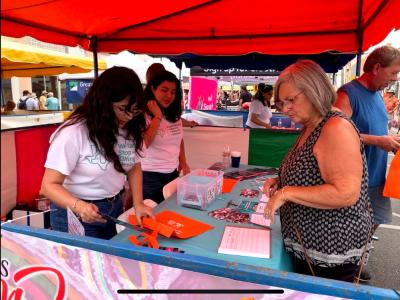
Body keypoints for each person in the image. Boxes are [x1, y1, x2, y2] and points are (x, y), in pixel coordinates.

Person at [263, 60, 373, 282]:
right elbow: (311, 170)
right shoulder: (311, 124)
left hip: (330, 250)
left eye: (291, 100)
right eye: (281, 103)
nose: (285, 109)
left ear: (314, 90)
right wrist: (280, 180)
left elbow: (345, 193)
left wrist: (287, 193)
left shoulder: (335, 127)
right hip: (310, 246)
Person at [41, 66, 152, 239]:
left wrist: (138, 203)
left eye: (135, 110)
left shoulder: (130, 127)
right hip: (74, 211)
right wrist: (79, 206)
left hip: (113, 206)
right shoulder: (74, 132)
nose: (129, 116)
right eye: (122, 109)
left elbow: (134, 166)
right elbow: (48, 186)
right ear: (103, 102)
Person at [335, 45, 400, 227]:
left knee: (371, 228)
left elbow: (376, 129)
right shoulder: (347, 94)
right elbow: (334, 136)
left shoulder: (378, 95)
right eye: (393, 73)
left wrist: (391, 141)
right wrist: (379, 141)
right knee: (353, 234)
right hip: (355, 181)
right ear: (377, 68)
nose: (395, 79)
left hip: (377, 177)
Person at [141, 70, 190, 204]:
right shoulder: (142, 115)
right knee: (152, 219)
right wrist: (157, 116)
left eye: (173, 92)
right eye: (164, 90)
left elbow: (179, 140)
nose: (169, 95)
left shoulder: (173, 115)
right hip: (149, 176)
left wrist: (183, 162)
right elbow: (143, 145)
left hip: (172, 174)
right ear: (153, 88)